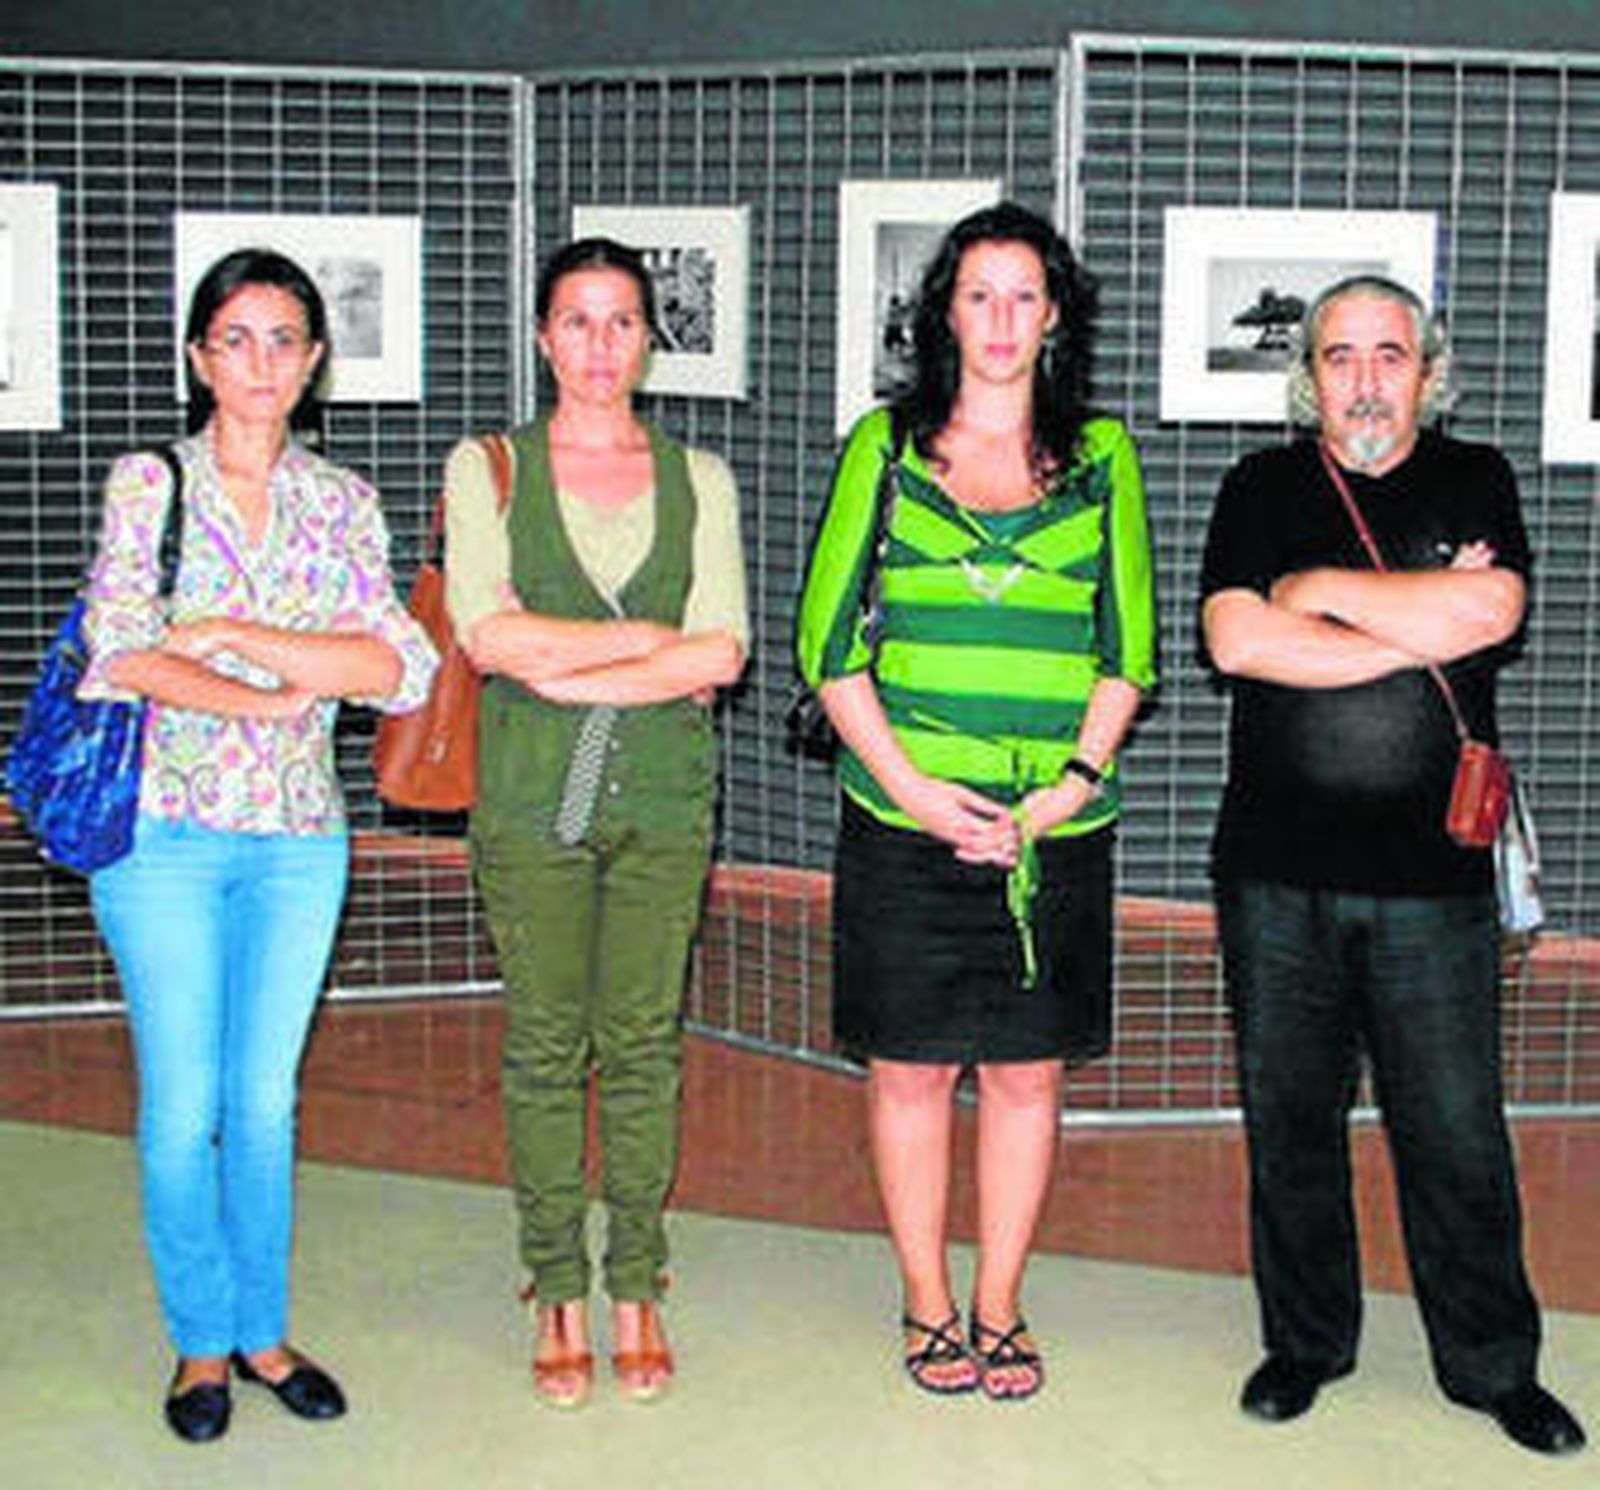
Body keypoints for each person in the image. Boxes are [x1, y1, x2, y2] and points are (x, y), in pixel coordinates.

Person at [1200, 274, 1586, 1456]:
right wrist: (1415, 605)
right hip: (1274, 873)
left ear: (1429, 370)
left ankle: (1490, 1365)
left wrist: (1316, 595)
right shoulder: (1260, 485)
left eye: (1388, 355)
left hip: (1433, 882)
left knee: (1456, 1127)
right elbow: (1235, 640)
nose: (1364, 379)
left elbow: (1490, 617)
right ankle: (1306, 1340)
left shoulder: (1480, 479)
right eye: (1339, 356)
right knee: (1290, 1118)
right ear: (1305, 373)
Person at [796, 202, 1156, 1401]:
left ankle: (997, 1301)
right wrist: (910, 788)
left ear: (1055, 315)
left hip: (1051, 833)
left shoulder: (1103, 457)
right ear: (941, 311)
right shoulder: (883, 448)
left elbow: (1130, 652)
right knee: (906, 1070)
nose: (999, 321)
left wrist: (1064, 792)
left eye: (1023, 295)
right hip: (905, 825)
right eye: (977, 294)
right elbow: (826, 642)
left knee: (1024, 1073)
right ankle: (925, 1297)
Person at [82, 248, 439, 1443]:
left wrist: (231, 632)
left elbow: (397, 665)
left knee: (268, 1100)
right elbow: (120, 648)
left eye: (285, 338)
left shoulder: (342, 501)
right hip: (163, 837)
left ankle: (262, 1327)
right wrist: (276, 690)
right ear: (198, 357)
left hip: (298, 841)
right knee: (184, 1104)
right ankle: (199, 1339)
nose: (261, 362)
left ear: (315, 360)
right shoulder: (150, 483)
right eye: (236, 338)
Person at [445, 237, 748, 1408]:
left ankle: (636, 1280)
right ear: (541, 335)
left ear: (648, 343)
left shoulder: (699, 480)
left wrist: (564, 657)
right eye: (576, 320)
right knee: (542, 1044)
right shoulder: (491, 471)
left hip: (664, 798)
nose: (599, 346)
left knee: (640, 1042)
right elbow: (484, 635)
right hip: (530, 799)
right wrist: (645, 649)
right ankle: (554, 1281)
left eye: (622, 322)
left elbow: (721, 650)